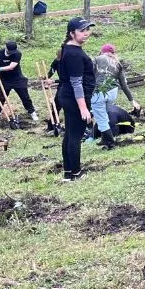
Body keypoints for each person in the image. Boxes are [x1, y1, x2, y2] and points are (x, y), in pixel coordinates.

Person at [55, 17, 96, 182]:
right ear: (72, 33)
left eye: (87, 30)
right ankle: (76, 173)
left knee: (70, 135)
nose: (86, 33)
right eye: (81, 31)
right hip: (74, 98)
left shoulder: (68, 49)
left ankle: (68, 173)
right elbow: (76, 83)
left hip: (67, 95)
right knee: (75, 136)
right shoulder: (74, 54)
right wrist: (83, 108)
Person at [91, 44, 140, 150]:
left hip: (100, 91)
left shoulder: (97, 59)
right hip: (113, 92)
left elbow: (88, 74)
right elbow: (124, 84)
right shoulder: (117, 63)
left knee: (101, 118)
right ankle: (105, 138)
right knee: (104, 114)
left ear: (102, 52)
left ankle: (109, 141)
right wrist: (132, 100)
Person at [0, 40, 39, 126]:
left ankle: (32, 112)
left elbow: (11, 67)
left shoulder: (17, 54)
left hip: (17, 79)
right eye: (10, 51)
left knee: (25, 97)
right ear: (6, 48)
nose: (11, 53)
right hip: (4, 80)